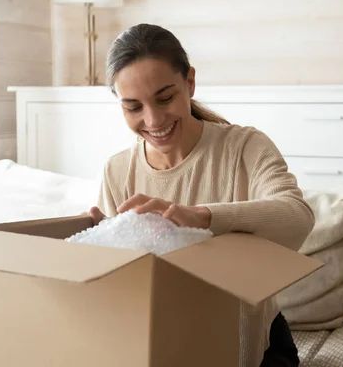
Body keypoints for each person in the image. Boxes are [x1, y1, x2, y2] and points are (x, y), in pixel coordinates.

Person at [86, 23, 315, 367]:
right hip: (160, 333)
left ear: (190, 82)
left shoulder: (245, 147)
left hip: (251, 334)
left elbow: (297, 217)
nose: (153, 119)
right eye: (133, 107)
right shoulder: (117, 170)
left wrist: (200, 216)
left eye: (165, 98)